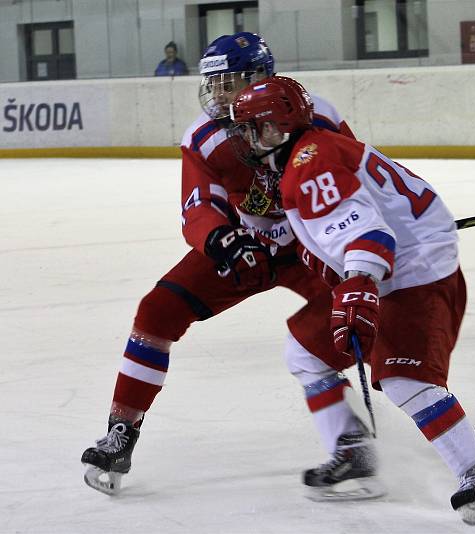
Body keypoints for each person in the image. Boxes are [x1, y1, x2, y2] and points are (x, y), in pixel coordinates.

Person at [80, 32, 370, 497]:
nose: (217, 94)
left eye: (229, 83)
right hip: (245, 249)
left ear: (261, 79)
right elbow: (197, 208)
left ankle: (427, 414)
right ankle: (121, 432)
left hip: (309, 248)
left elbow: (361, 175)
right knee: (157, 312)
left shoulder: (317, 116)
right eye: (212, 84)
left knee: (362, 316)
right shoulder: (204, 136)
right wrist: (220, 238)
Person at [229, 76, 475, 524]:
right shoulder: (310, 153)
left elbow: (367, 234)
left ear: (277, 127)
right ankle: (353, 451)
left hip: (413, 276)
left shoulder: (309, 162)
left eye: (251, 127)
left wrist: (358, 284)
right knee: (304, 351)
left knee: (403, 380)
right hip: (388, 268)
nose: (244, 138)